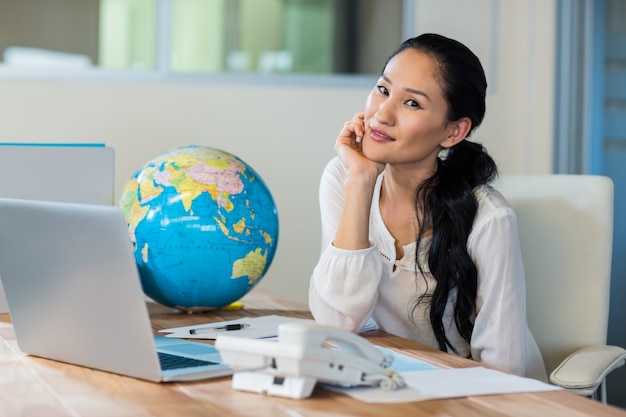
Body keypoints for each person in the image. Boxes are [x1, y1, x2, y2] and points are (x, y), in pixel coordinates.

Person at [308, 33, 547, 381]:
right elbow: (336, 323)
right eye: (383, 90)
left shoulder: (489, 218)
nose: (382, 114)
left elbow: (503, 370)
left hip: (469, 398)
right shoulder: (344, 177)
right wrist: (360, 182)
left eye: (412, 104)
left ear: (453, 132)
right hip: (384, 387)